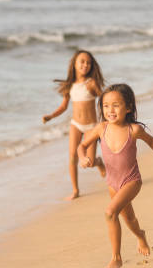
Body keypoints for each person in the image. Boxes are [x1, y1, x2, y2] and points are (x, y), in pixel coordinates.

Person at [78, 84, 153, 268]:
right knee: (129, 219)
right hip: (112, 183)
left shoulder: (134, 130)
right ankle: (141, 236)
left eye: (116, 105)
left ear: (128, 107)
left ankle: (116, 258)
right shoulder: (101, 129)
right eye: (106, 106)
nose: (110, 110)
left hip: (132, 180)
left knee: (110, 212)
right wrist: (83, 157)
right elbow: (81, 146)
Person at [43, 50, 106, 200]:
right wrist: (51, 116)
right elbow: (64, 107)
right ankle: (75, 190)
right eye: (82, 61)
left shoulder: (91, 83)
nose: (85, 65)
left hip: (91, 126)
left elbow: (103, 100)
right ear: (74, 64)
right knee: (72, 157)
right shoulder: (69, 85)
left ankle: (98, 162)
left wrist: (107, 118)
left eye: (88, 62)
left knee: (89, 162)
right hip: (76, 125)